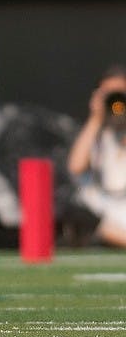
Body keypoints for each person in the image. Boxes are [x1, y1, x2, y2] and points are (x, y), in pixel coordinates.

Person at [66, 65, 126, 247]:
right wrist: (96, 118)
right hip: (105, 211)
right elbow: (76, 166)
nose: (117, 101)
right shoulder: (99, 133)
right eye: (110, 94)